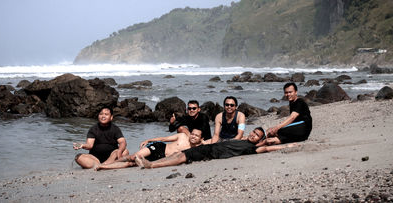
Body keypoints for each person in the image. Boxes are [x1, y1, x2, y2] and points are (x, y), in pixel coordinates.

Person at [135, 127, 295, 169]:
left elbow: (266, 149)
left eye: (257, 135)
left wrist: (290, 146)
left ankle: (153, 165)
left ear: (260, 140)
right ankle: (154, 163)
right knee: (181, 154)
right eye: (254, 132)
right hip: (210, 148)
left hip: (212, 153)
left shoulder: (251, 148)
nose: (253, 135)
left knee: (182, 157)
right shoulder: (245, 139)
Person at [95, 129, 203, 170]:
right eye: (192, 134)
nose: (193, 136)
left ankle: (104, 167)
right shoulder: (183, 136)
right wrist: (149, 140)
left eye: (196, 136)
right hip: (158, 147)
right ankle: (106, 164)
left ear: (200, 139)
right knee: (133, 157)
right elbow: (163, 138)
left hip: (161, 158)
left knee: (131, 164)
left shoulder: (196, 149)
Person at [258, 82, 312, 147]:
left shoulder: (299, 102)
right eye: (286, 92)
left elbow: (292, 117)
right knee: (272, 137)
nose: (288, 94)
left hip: (303, 128)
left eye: (290, 92)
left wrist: (277, 127)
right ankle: (260, 143)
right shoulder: (292, 102)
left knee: (272, 131)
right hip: (301, 133)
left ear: (296, 92)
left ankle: (256, 143)